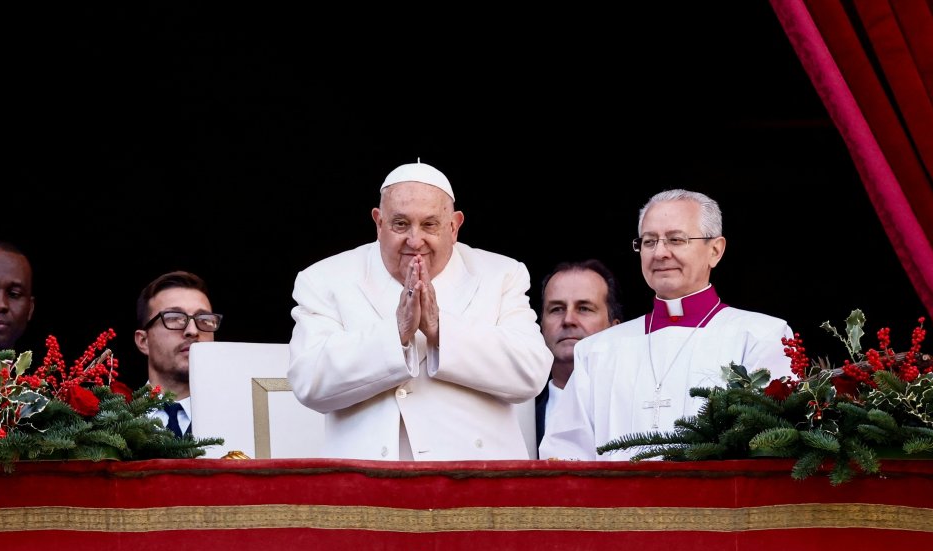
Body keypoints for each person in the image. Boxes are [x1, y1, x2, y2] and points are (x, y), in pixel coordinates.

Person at [287, 160, 552, 461]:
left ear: (454, 227)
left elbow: (531, 373)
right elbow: (309, 381)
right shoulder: (325, 279)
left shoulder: (501, 274)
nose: (415, 240)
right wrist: (396, 334)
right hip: (368, 481)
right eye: (400, 224)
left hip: (478, 479)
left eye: (430, 224)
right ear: (378, 223)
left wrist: (441, 330)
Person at [539, 188, 794, 461]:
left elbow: (771, 449)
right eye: (649, 242)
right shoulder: (597, 351)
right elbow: (565, 455)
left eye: (675, 239)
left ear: (715, 251)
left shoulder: (761, 337)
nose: (660, 253)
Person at [535, 259, 623, 447]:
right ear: (541, 327)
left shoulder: (634, 410)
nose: (568, 320)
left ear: (615, 329)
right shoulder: (516, 419)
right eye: (556, 309)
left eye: (584, 308)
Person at [133, 270, 221, 439]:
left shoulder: (240, 418)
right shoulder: (108, 426)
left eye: (204, 319)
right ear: (143, 341)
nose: (193, 331)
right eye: (174, 317)